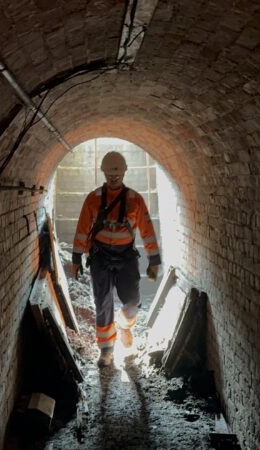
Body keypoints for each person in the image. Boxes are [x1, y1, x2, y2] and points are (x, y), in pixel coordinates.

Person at [71, 151, 161, 367]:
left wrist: (154, 259)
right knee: (102, 303)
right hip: (100, 256)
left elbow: (147, 230)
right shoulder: (93, 199)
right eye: (110, 174)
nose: (113, 178)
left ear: (123, 173)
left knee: (131, 301)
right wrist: (76, 258)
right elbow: (83, 229)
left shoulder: (134, 200)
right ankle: (106, 350)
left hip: (126, 256)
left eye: (117, 174)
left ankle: (124, 326)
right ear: (103, 173)